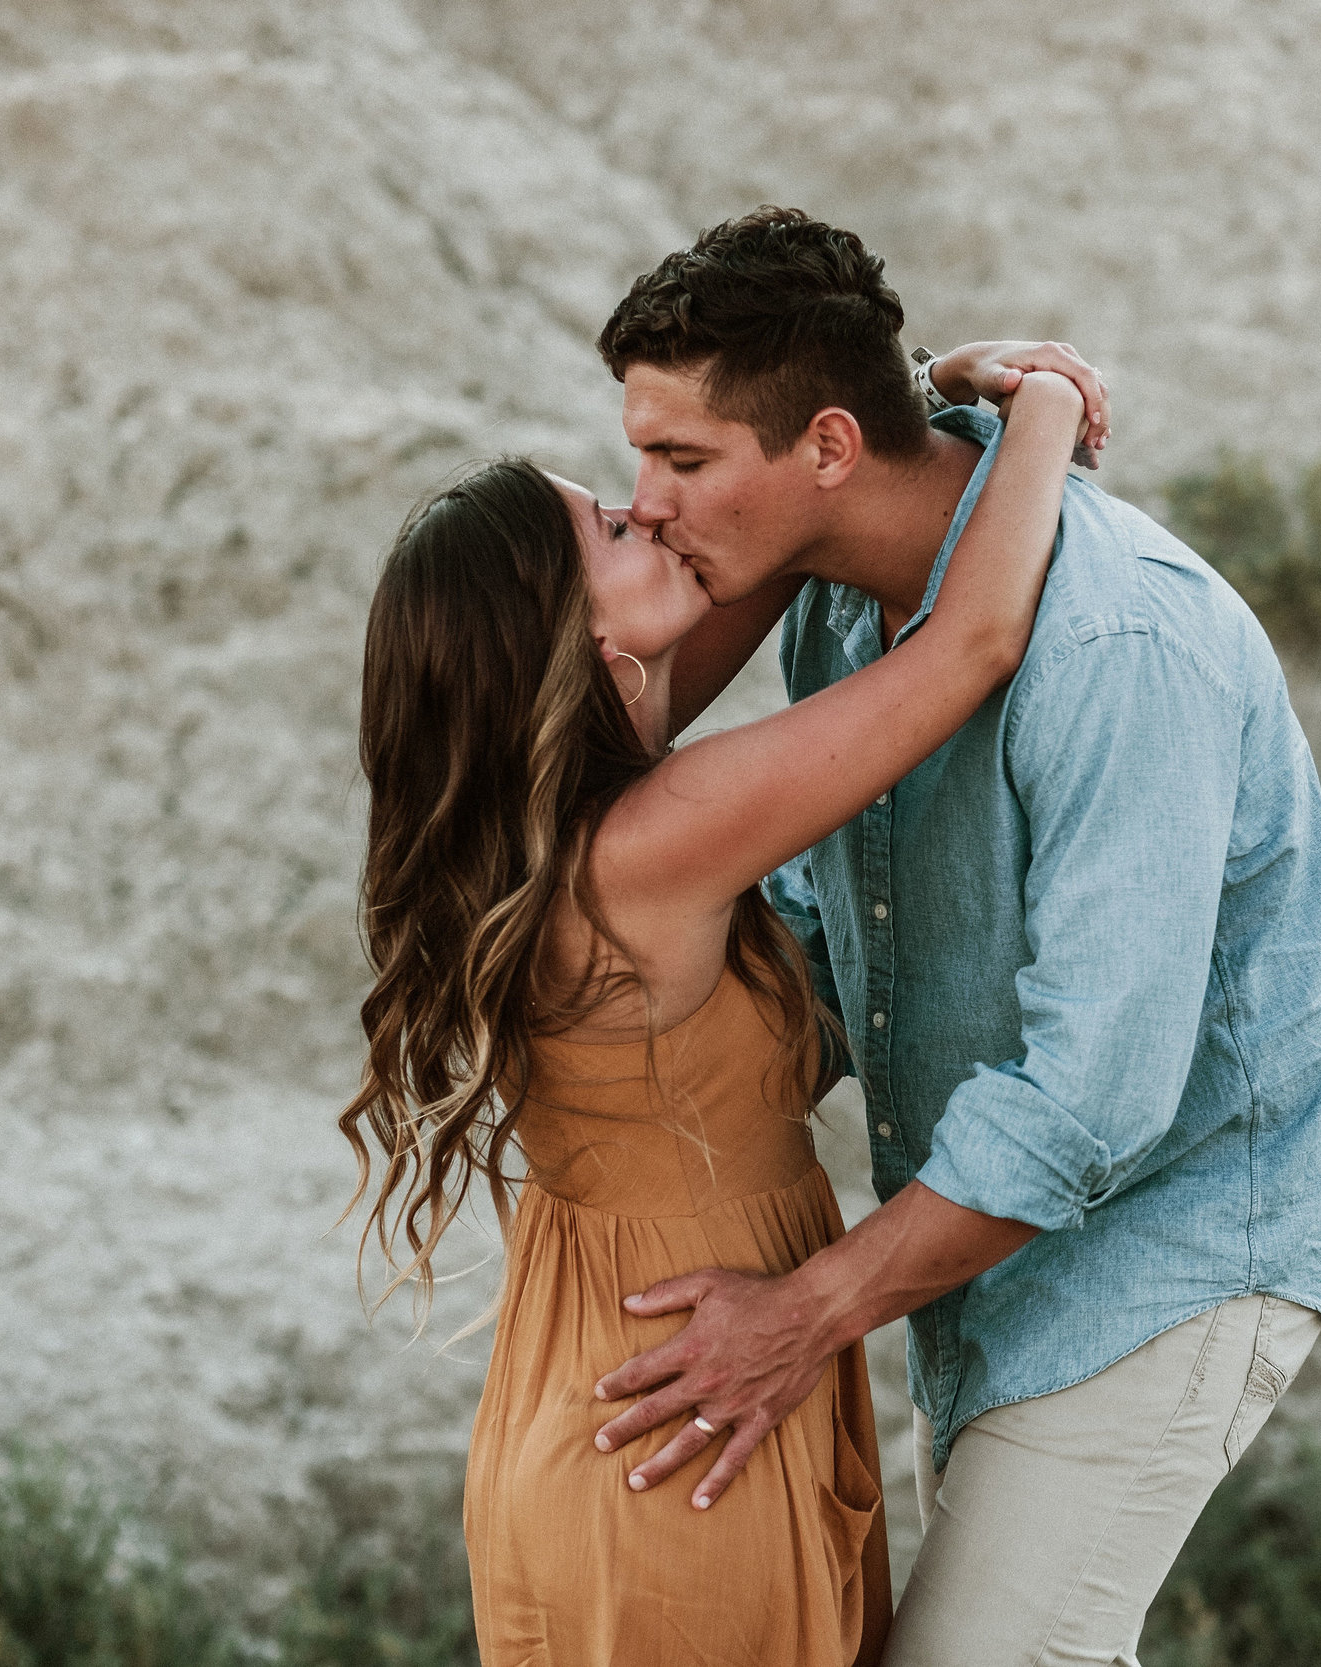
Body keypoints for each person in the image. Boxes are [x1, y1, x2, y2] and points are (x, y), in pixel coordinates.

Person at [586, 208, 1321, 1666]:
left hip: (1166, 1248)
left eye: (681, 460)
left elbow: (1097, 1101)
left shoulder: (1121, 645)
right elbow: (832, 914)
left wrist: (805, 1313)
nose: (654, 502)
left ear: (824, 447)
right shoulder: (839, 610)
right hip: (991, 1251)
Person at [340, 304, 1106, 1664]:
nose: (662, 519)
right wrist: (1040, 398)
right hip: (679, 1446)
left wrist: (889, 408)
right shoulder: (652, 841)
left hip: (621, 1404)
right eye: (619, 533)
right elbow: (975, 640)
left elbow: (770, 542)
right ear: (577, 645)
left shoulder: (566, 818)